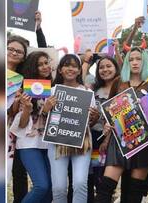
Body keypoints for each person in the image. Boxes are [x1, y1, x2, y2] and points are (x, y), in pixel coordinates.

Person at [95, 47, 148, 203]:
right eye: (131, 59)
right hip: (119, 141)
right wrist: (107, 128)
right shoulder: (119, 83)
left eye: (138, 59)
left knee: (134, 194)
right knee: (105, 189)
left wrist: (145, 108)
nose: (135, 62)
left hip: (143, 142)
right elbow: (108, 111)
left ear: (145, 62)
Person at [45, 54, 100, 203]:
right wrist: (45, 109)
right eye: (66, 65)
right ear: (60, 70)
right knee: (58, 188)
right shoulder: (51, 91)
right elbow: (43, 121)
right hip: (57, 143)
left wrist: (95, 117)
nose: (70, 68)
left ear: (78, 70)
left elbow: (90, 123)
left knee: (80, 183)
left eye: (75, 65)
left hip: (82, 143)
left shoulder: (88, 93)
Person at [9, 51, 53, 203]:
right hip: (29, 144)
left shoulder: (54, 89)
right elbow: (21, 125)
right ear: (32, 68)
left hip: (49, 144)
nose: (45, 67)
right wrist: (27, 108)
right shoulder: (25, 89)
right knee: (41, 186)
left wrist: (47, 109)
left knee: (49, 192)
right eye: (39, 64)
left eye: (46, 63)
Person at [87, 56, 120, 202]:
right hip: (92, 136)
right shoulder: (93, 89)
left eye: (109, 66)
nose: (105, 70)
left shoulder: (122, 88)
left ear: (116, 68)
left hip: (112, 140)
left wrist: (106, 140)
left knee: (104, 180)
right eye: (101, 67)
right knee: (91, 175)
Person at [7, 35, 29, 203]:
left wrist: (16, 102)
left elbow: (14, 112)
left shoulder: (23, 80)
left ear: (23, 56)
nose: (14, 53)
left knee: (17, 172)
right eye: (10, 49)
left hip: (10, 131)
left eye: (19, 51)